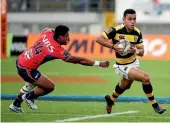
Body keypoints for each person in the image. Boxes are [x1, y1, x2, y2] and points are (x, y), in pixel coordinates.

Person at [9, 25, 110, 113]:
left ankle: (15, 105)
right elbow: (78, 60)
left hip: (22, 59)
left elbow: (47, 29)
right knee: (50, 86)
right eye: (66, 36)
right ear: (60, 36)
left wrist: (55, 31)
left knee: (30, 84)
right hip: (26, 68)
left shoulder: (47, 34)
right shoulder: (56, 49)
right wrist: (99, 63)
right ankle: (29, 97)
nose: (68, 39)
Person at [96, 9, 166, 114]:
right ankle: (155, 105)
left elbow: (142, 52)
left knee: (125, 85)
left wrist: (135, 50)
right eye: (129, 19)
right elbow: (99, 39)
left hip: (133, 63)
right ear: (124, 19)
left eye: (134, 19)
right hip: (122, 65)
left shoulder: (137, 33)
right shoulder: (115, 30)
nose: (132, 21)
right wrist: (113, 46)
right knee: (145, 78)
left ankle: (110, 99)